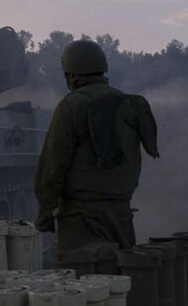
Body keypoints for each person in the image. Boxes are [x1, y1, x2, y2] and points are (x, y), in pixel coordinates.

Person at [34, 39, 159, 261]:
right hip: (121, 214)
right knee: (120, 275)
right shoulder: (127, 104)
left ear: (72, 75)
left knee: (83, 278)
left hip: (81, 218)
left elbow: (53, 163)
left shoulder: (71, 106)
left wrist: (46, 209)